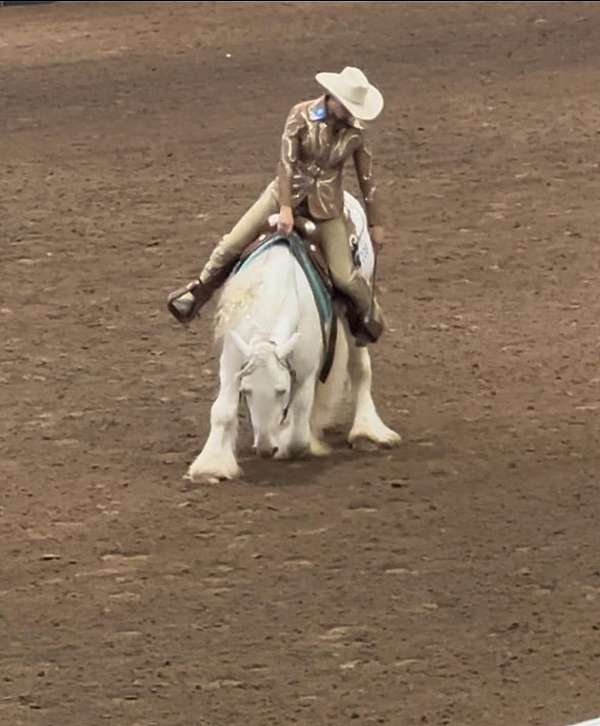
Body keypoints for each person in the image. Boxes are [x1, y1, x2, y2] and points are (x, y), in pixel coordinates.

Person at [167, 66, 386, 344]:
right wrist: (284, 207)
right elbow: (287, 163)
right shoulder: (300, 115)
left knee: (344, 275)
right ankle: (197, 293)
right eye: (348, 107)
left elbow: (367, 179)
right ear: (334, 98)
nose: (351, 114)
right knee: (231, 244)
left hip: (328, 207)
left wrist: (376, 222)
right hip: (284, 195)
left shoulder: (355, 133)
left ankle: (369, 312)